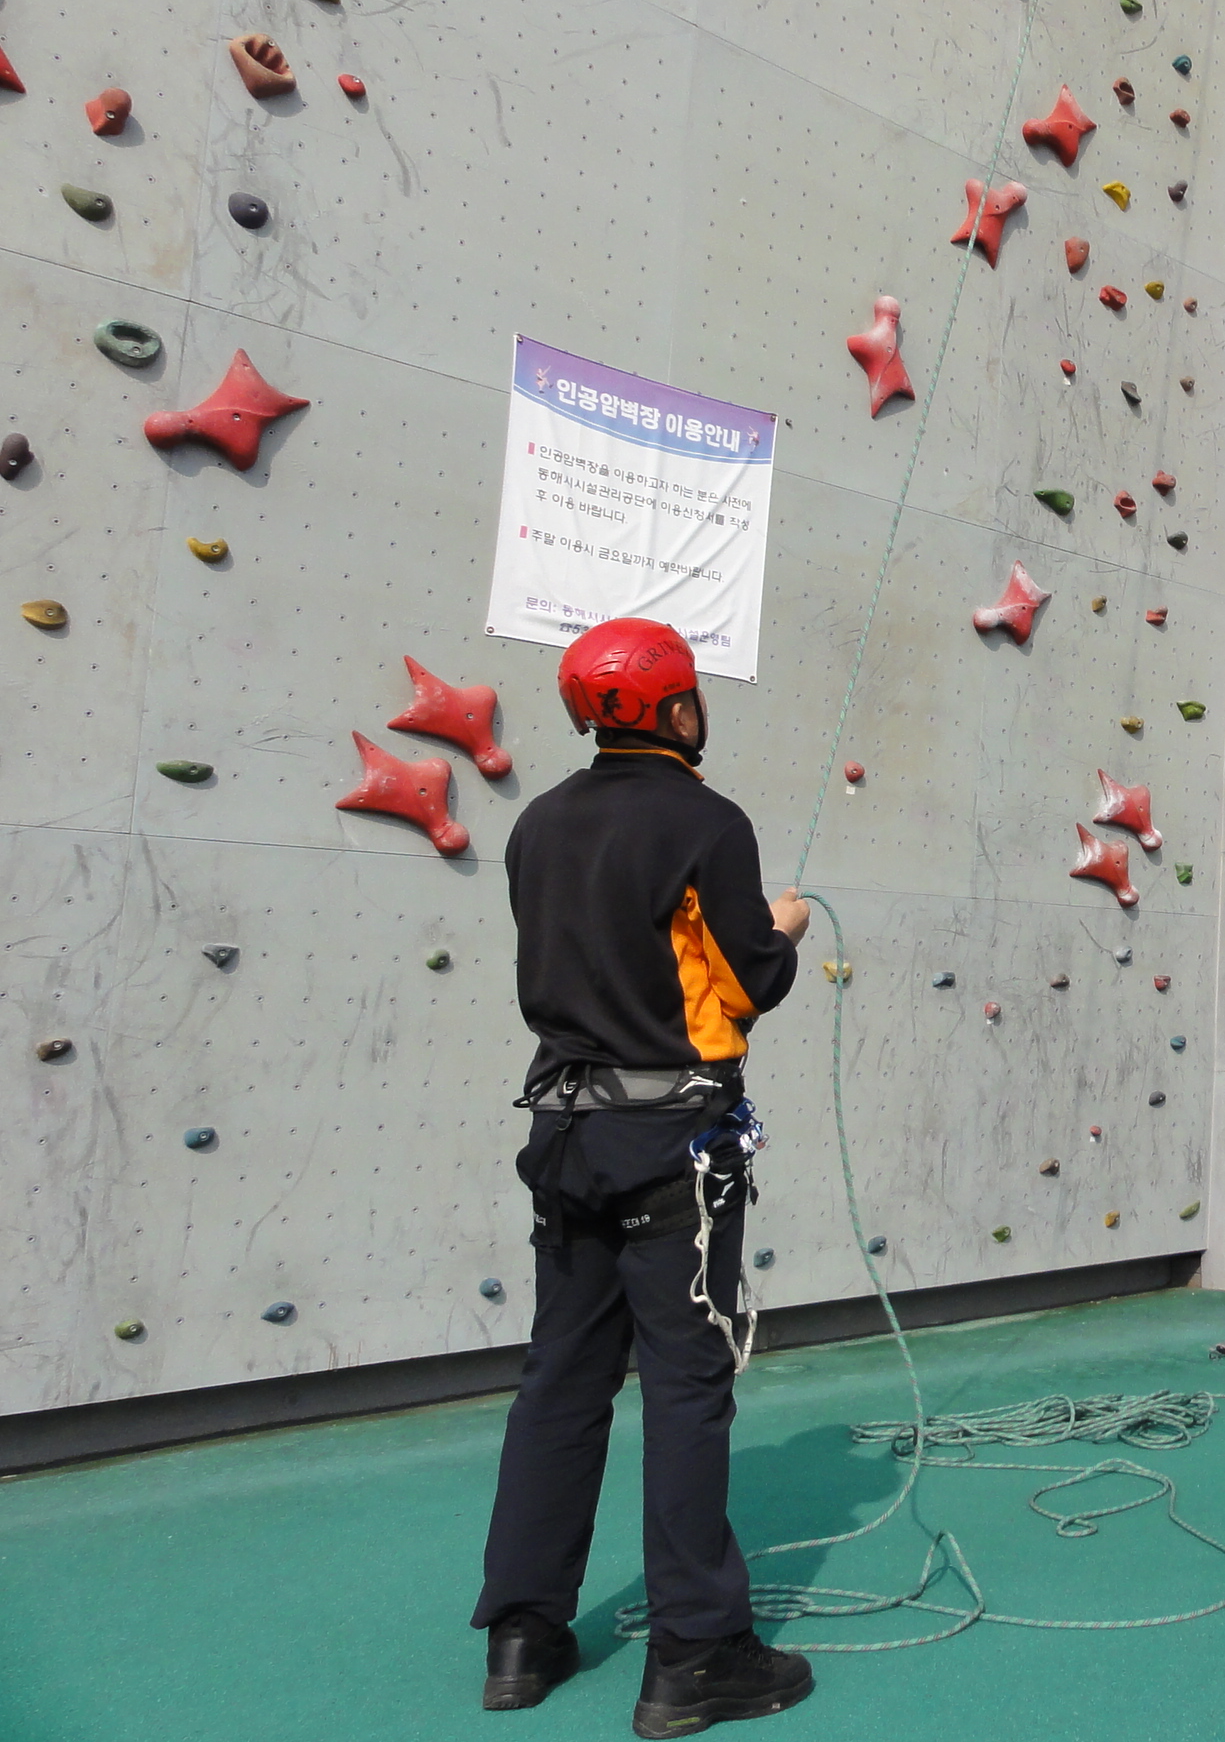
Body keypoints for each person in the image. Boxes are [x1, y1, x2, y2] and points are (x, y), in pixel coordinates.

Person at [471, 617, 818, 1738]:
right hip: (674, 1143)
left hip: (565, 1135)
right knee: (685, 1388)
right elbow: (749, 981)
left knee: (562, 1380)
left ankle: (523, 1635)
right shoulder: (708, 822)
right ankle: (696, 1656)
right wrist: (783, 928)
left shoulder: (537, 823)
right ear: (674, 709)